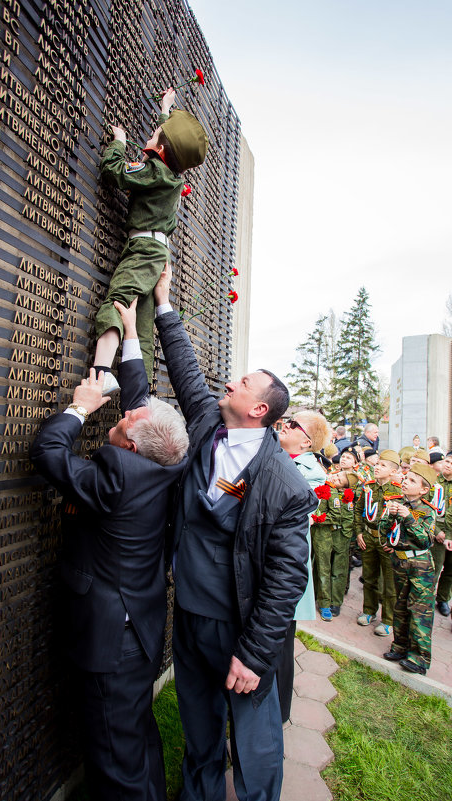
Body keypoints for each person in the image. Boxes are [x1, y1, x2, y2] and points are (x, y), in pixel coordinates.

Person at [153, 265, 317, 801]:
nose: (231, 381)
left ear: (259, 408)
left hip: (239, 629)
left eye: (244, 382)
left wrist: (255, 653)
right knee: (199, 726)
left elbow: (285, 579)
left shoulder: (286, 485)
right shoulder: (206, 425)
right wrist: (162, 304)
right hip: (192, 619)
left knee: (255, 741)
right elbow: (184, 370)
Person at [30, 299, 189, 801]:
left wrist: (81, 405)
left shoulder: (118, 477)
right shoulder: (169, 459)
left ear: (133, 447)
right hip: (139, 628)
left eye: (123, 423)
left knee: (114, 761)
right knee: (135, 737)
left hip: (110, 642)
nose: (121, 418)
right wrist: (130, 336)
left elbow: (48, 454)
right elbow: (142, 408)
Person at [93, 88, 208, 390]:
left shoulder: (154, 171)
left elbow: (114, 172)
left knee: (119, 301)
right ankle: (138, 404)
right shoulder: (171, 172)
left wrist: (118, 142)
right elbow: (169, 141)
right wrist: (165, 108)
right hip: (157, 253)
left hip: (143, 250)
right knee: (142, 330)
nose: (147, 137)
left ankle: (101, 373)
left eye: (154, 134)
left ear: (160, 150)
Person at [277, 411, 327, 719]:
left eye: (293, 424)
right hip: (257, 563)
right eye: (287, 419)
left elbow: (290, 513)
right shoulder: (268, 452)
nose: (285, 423)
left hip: (284, 570)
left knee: (280, 644)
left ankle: (279, 711)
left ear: (306, 441)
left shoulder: (313, 473)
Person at [381, 463, 437, 675]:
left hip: (420, 565)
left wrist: (408, 517)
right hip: (400, 561)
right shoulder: (396, 503)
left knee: (420, 610)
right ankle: (400, 646)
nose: (405, 481)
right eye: (406, 478)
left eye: (412, 480)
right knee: (401, 605)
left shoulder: (426, 511)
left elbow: (425, 541)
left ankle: (420, 657)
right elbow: (384, 532)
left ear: (423, 490)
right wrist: (390, 516)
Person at [354, 450, 403, 637]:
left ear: (392, 471)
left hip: (387, 542)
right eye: (378, 463)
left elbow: (401, 520)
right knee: (369, 577)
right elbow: (359, 510)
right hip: (368, 537)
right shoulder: (369, 486)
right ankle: (369, 611)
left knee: (389, 584)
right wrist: (359, 532)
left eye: (383, 465)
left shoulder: (398, 491)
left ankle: (388, 620)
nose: (377, 467)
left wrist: (394, 543)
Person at [311, 470, 358, 620]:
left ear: (345, 487)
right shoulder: (326, 489)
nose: (334, 477)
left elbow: (344, 517)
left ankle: (335, 602)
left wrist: (316, 519)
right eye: (336, 475)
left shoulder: (344, 496)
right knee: (322, 569)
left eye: (339, 479)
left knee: (338, 570)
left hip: (339, 536)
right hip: (324, 535)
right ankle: (323, 601)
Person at [431, 452, 452, 616]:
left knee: (450, 571)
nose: (448, 465)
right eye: (447, 461)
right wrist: (437, 532)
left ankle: (443, 598)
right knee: (434, 568)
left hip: (450, 536)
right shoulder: (434, 482)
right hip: (436, 533)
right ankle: (428, 598)